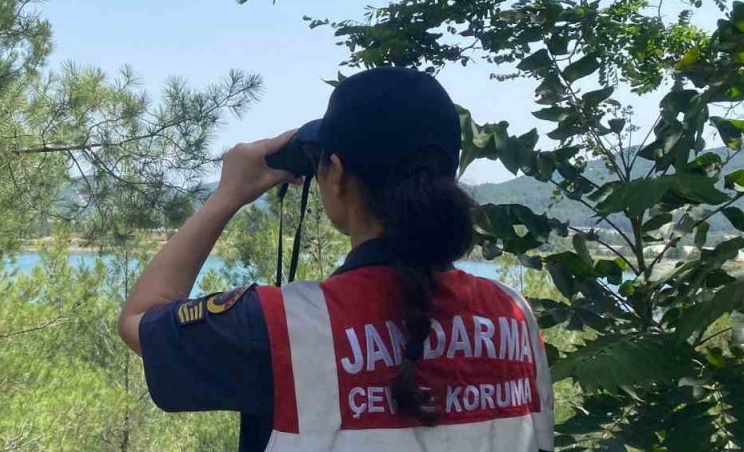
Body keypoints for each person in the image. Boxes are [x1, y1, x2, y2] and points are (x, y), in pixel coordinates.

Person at [118, 67, 555, 452]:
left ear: (338, 175)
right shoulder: (513, 314)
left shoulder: (280, 327)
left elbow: (140, 320)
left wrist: (227, 195)